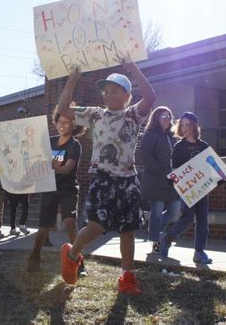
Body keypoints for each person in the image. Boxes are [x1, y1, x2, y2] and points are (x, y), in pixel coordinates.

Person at [57, 51, 155, 295]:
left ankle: (127, 277)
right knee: (96, 225)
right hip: (102, 176)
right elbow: (62, 109)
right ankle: (72, 254)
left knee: (127, 229)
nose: (109, 95)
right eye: (106, 91)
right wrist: (73, 78)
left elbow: (151, 96)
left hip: (128, 179)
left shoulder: (133, 115)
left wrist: (132, 68)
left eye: (114, 90)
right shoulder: (96, 114)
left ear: (126, 95)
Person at [27, 105, 86, 273]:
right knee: (44, 227)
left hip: (68, 188)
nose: (62, 124)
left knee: (69, 223)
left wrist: (52, 167)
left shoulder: (75, 146)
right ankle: (35, 257)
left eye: (67, 122)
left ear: (74, 125)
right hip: (49, 187)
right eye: (60, 121)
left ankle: (79, 263)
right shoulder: (49, 141)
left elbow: (67, 168)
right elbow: (35, 162)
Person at [159, 112, 213, 264]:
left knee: (203, 220)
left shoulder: (204, 146)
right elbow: (175, 168)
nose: (185, 128)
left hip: (202, 188)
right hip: (187, 188)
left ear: (194, 126)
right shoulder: (179, 146)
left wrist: (219, 178)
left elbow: (211, 168)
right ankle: (167, 239)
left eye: (188, 124)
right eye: (182, 125)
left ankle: (199, 252)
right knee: (187, 217)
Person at [140, 106, 181, 253]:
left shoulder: (172, 136)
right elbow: (146, 157)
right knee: (156, 212)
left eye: (169, 116)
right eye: (164, 116)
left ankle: (156, 233)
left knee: (175, 211)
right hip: (155, 180)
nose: (167, 119)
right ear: (156, 118)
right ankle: (155, 242)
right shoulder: (150, 135)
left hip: (172, 181)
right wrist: (161, 172)